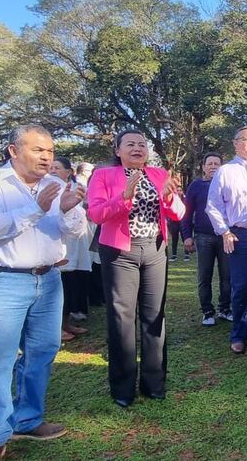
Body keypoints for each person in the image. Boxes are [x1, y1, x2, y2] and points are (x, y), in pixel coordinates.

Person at [0, 125, 87, 460]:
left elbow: (76, 232)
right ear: (13, 150)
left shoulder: (56, 185)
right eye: (38, 150)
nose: (46, 157)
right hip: (3, 281)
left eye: (50, 150)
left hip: (48, 280)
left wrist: (67, 209)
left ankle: (27, 418)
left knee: (42, 352)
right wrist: (35, 209)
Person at [87, 129, 185, 408]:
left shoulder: (158, 174)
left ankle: (154, 384)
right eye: (130, 144)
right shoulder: (104, 176)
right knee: (122, 318)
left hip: (154, 250)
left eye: (142, 144)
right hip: (120, 252)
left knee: (155, 317)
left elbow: (179, 213)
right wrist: (124, 197)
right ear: (117, 150)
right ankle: (123, 387)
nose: (138, 148)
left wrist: (168, 197)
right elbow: (95, 214)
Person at [206, 127, 247, 354]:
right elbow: (213, 204)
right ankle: (239, 333)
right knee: (241, 285)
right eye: (245, 139)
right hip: (240, 234)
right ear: (235, 144)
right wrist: (224, 231)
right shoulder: (225, 171)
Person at [181, 152, 232, 326]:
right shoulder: (196, 186)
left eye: (216, 164)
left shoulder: (228, 184)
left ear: (221, 166)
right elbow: (186, 214)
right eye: (209, 164)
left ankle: (225, 309)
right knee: (205, 276)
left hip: (225, 236)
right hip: (203, 237)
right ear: (203, 167)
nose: (213, 167)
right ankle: (207, 312)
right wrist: (187, 236)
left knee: (227, 276)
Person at [49, 157, 92, 341]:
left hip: (75, 244)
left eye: (57, 168)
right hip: (55, 246)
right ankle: (55, 328)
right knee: (58, 287)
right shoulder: (47, 190)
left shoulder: (77, 189)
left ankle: (66, 323)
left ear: (69, 172)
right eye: (50, 168)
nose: (52, 171)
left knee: (71, 285)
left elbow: (84, 214)